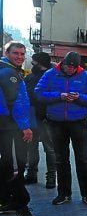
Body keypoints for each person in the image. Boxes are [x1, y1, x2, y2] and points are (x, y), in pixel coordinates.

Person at [35, 51, 87, 206]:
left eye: (74, 67)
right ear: (62, 63)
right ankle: (64, 193)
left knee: (83, 159)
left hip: (78, 122)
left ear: (78, 67)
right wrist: (59, 96)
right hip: (56, 122)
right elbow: (38, 93)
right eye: (68, 66)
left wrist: (79, 98)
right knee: (61, 159)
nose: (70, 69)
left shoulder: (84, 76)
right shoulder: (50, 74)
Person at [0, 42, 34, 216]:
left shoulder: (9, 70)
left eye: (22, 54)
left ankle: (6, 200)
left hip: (7, 126)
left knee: (7, 164)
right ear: (7, 53)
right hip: (11, 127)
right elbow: (14, 101)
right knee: (15, 168)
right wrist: (25, 126)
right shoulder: (9, 73)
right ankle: (21, 205)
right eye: (16, 53)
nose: (20, 57)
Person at [24, 51, 57, 188]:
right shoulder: (30, 77)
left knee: (49, 149)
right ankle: (32, 174)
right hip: (33, 117)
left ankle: (51, 177)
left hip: (47, 118)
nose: (32, 63)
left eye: (34, 61)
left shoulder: (52, 77)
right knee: (32, 147)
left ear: (40, 62)